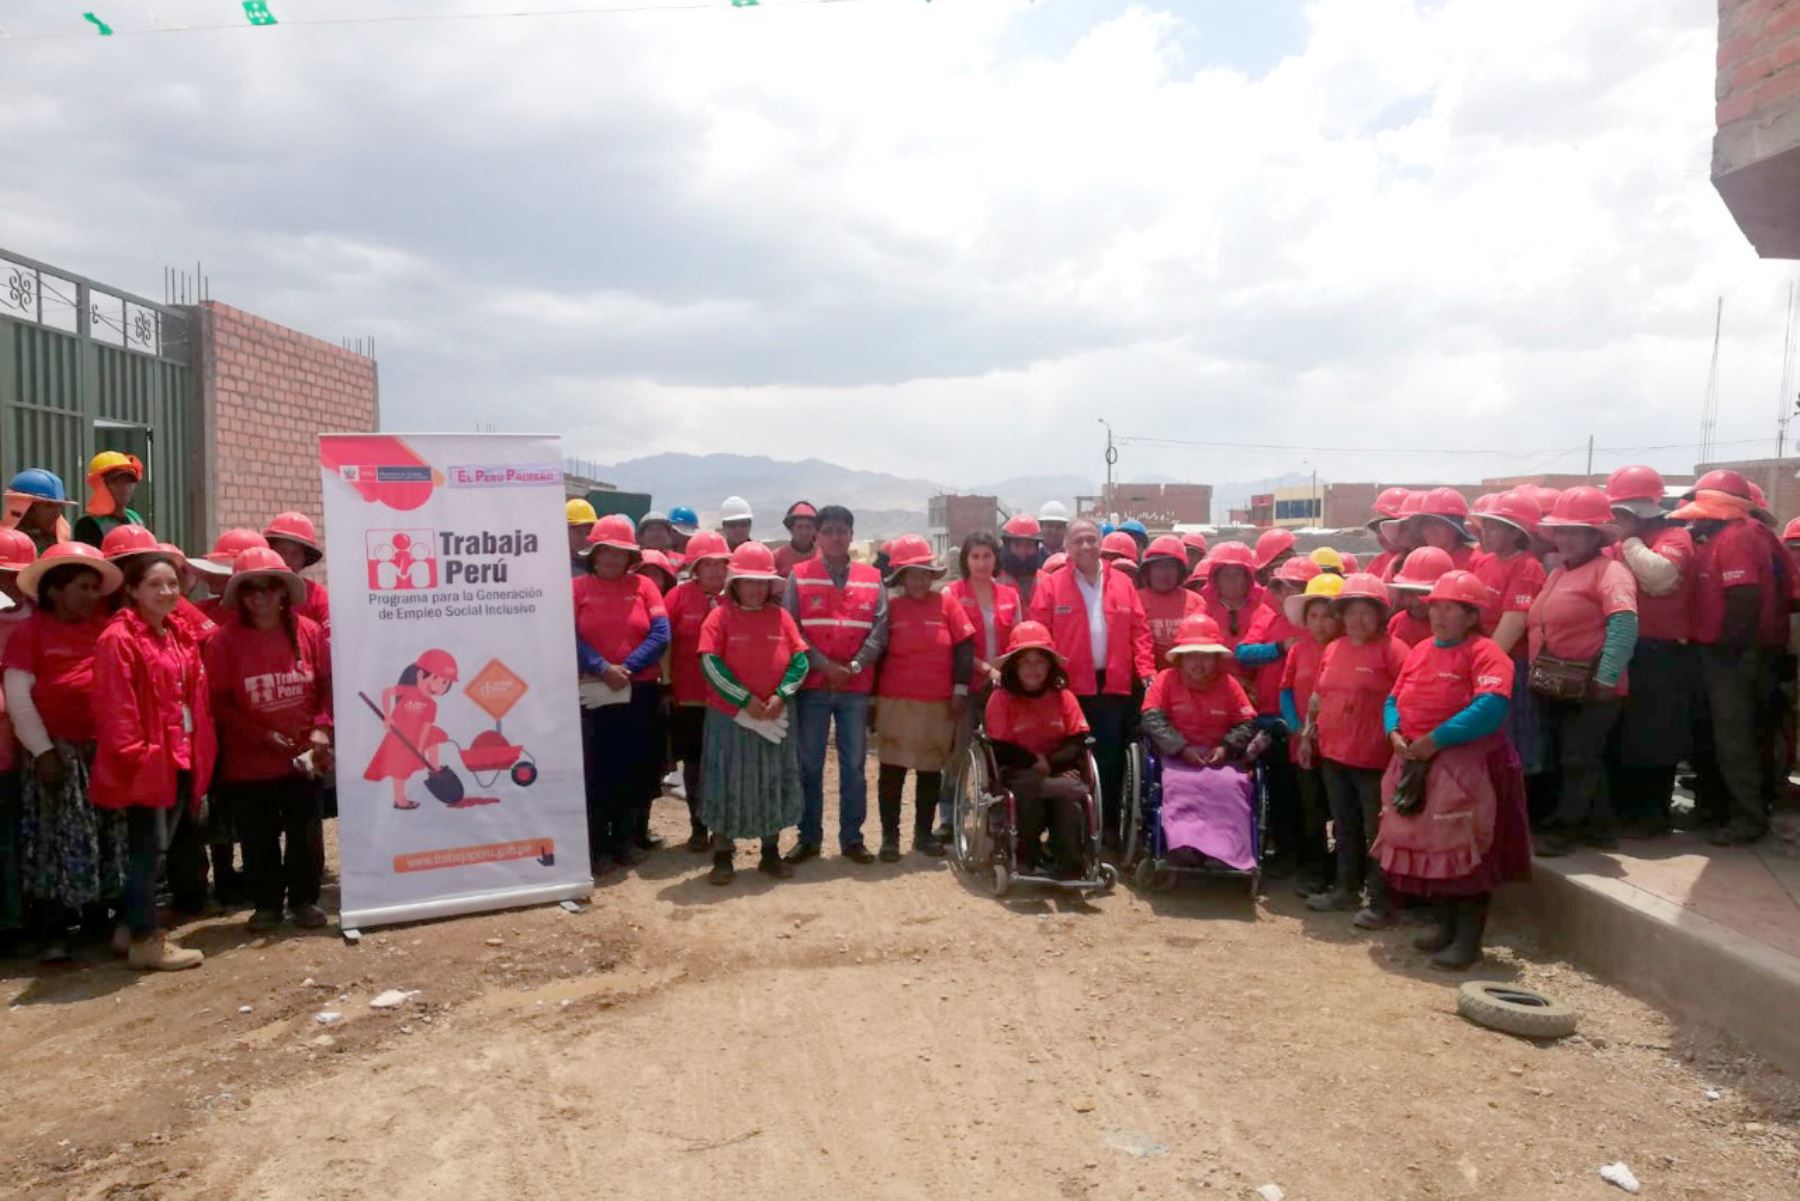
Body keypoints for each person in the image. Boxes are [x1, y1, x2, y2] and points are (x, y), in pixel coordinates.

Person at [1377, 570, 1529, 970]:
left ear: (1472, 615)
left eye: (1451, 609)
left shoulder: (1486, 653)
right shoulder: (1422, 650)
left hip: (1469, 770)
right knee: (1434, 849)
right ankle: (1444, 926)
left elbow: (1491, 707)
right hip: (1422, 762)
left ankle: (1468, 939)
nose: (1440, 616)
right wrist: (1393, 731)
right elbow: (1394, 697)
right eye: (1436, 608)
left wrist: (1436, 740)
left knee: (1469, 853)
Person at [91, 548, 216, 971]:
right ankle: (146, 939)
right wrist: (138, 758)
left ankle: (131, 926)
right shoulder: (118, 638)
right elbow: (116, 708)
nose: (166, 592)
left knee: (158, 848)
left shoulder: (177, 632)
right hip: (148, 760)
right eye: (154, 585)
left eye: (172, 584)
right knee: (146, 848)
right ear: (131, 590)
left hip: (180, 752)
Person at [4, 543, 125, 961]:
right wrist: (43, 753)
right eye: (82, 587)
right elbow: (19, 699)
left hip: (101, 752)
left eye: (95, 587)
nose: (92, 595)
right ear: (55, 590)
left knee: (102, 836)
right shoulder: (29, 634)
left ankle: (97, 917)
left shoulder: (104, 628)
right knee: (54, 841)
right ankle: (53, 929)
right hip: (57, 754)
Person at [205, 547, 332, 932]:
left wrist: (321, 729)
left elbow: (327, 686)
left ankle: (305, 901)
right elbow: (219, 703)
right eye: (250, 590)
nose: (259, 597)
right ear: (239, 597)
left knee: (305, 832)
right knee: (258, 836)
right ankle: (267, 906)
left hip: (303, 756)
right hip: (249, 763)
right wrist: (260, 735)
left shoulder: (307, 632)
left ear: (282, 592)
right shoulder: (224, 642)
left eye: (267, 588)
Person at [1672, 473, 1786, 845]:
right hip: (1721, 653)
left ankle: (1747, 819)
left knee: (1735, 739)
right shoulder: (1722, 538)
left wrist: (1727, 651)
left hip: (1732, 656)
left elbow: (1745, 598)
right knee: (1719, 737)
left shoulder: (1737, 538)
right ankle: (1720, 811)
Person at [1525, 488, 1639, 856]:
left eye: (1575, 531)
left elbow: (1624, 624)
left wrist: (1605, 679)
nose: (1565, 538)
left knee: (1577, 757)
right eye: (1561, 531)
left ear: (1595, 536)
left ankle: (1565, 829)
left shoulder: (1611, 572)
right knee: (1580, 757)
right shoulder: (1560, 572)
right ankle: (1600, 827)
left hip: (1592, 688)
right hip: (1560, 684)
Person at [1028, 518, 1153, 847]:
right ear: (1067, 547)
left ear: (1101, 543)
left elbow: (1140, 633)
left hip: (1113, 688)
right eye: (1078, 541)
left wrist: (1146, 671)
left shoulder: (1123, 584)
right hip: (1066, 690)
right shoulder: (1052, 585)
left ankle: (1107, 827)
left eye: (1091, 540)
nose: (1085, 546)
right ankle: (1067, 833)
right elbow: (1039, 636)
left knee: (1110, 762)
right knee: (1068, 760)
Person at [695, 542, 809, 885]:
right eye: (748, 581)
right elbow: (709, 663)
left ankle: (770, 853)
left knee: (772, 781)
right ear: (735, 584)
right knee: (725, 781)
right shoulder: (719, 617)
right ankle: (723, 856)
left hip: (774, 716)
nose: (756, 589)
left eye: (762, 582)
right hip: (730, 720)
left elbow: (799, 660)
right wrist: (743, 701)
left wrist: (781, 695)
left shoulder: (781, 616)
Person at [784, 504, 886, 865]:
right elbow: (791, 627)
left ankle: (852, 838)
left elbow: (879, 628)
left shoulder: (872, 578)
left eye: (842, 529)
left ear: (852, 534)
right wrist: (824, 665)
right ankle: (809, 837)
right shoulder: (800, 575)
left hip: (855, 688)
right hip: (813, 685)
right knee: (809, 764)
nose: (836, 536)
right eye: (828, 530)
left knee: (854, 764)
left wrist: (856, 665)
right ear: (817, 535)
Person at [1305, 574, 1409, 924]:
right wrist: (1308, 734)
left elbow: (1406, 701)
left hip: (1375, 759)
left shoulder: (1394, 652)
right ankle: (1345, 891)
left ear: (1380, 614)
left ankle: (1381, 902)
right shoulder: (1334, 649)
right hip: (1334, 755)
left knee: (1377, 832)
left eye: (1366, 612)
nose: (1357, 620)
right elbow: (1319, 696)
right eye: (1351, 612)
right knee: (1345, 827)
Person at [573, 515, 670, 871]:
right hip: (592, 693)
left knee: (634, 768)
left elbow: (660, 634)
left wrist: (626, 668)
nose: (613, 559)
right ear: (594, 554)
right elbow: (569, 635)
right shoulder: (577, 589)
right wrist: (602, 668)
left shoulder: (645, 586)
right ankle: (597, 847)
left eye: (620, 553)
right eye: (606, 552)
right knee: (597, 770)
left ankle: (625, 842)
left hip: (638, 690)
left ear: (631, 556)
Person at [873, 536, 975, 860]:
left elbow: (964, 647)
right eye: (911, 573)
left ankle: (922, 834)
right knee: (892, 771)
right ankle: (890, 838)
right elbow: (877, 653)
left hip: (937, 702)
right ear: (900, 577)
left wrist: (960, 689)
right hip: (895, 701)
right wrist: (871, 702)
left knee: (930, 771)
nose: (918, 579)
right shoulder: (890, 608)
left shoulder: (947, 604)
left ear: (932, 575)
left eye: (923, 572)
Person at [1140, 614, 1266, 872]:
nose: (1199, 662)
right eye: (1192, 655)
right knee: (1180, 784)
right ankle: (1184, 847)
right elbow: (1151, 719)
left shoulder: (1229, 684)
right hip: (1176, 756)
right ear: (1182, 658)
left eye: (1206, 655)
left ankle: (1226, 852)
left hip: (1220, 756)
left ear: (1216, 659)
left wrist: (1225, 748)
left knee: (1232, 785)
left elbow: (1248, 722)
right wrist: (1181, 748)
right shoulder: (1165, 680)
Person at [1238, 556, 1324, 884]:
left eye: (1296, 587)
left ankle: (1310, 859)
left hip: (1312, 719)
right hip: (1272, 716)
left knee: (1312, 794)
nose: (1287, 592)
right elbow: (1243, 653)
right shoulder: (1266, 616)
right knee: (1281, 789)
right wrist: (1279, 647)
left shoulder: (1323, 620)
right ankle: (1286, 853)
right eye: (1283, 585)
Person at [984, 622, 1092, 879]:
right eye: (1026, 662)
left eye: (1039, 662)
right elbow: (1000, 747)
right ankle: (1025, 857)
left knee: (1067, 797)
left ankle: (1070, 865)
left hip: (1057, 768)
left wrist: (1050, 763)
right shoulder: (1001, 699)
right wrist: (1035, 762)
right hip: (1016, 770)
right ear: (1014, 666)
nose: (1033, 669)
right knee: (1047, 788)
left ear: (1050, 666)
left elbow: (1077, 741)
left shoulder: (1064, 697)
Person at [941, 530, 1021, 838]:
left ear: (996, 559)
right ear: (966, 559)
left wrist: (1000, 668)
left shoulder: (1010, 595)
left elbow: (1017, 639)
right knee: (959, 751)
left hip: (1001, 687)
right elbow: (951, 644)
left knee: (999, 754)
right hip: (966, 685)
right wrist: (985, 668)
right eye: (975, 556)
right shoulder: (951, 594)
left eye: (987, 555)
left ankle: (997, 816)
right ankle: (948, 817)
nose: (981, 562)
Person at [664, 531, 732, 851]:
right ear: (695, 567)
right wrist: (665, 683)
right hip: (689, 696)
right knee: (694, 765)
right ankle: (697, 826)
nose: (716, 572)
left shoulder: (736, 596)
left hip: (728, 699)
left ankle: (723, 826)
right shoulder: (677, 598)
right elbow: (664, 643)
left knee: (724, 765)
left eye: (721, 564)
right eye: (709, 565)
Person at [1282, 573, 1344, 898]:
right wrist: (1297, 728)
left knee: (1342, 812)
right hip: (1303, 744)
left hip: (1339, 744)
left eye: (1328, 615)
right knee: (1312, 810)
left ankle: (1343, 872)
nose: (1320, 623)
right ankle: (1315, 871)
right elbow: (1285, 692)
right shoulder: (1297, 651)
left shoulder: (1347, 649)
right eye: (1314, 616)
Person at [364, 649, 459, 809]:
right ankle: (400, 800)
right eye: (436, 678)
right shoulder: (408, 690)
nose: (438, 686)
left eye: (445, 682)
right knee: (399, 770)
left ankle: (435, 769)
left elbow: (426, 728)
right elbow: (387, 693)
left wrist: (420, 747)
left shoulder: (432, 705)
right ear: (420, 675)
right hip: (398, 735)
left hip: (416, 736)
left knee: (434, 738)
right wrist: (388, 717)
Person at [0, 531, 34, 949]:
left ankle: (19, 917)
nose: (8, 584)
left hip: (32, 741)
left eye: (14, 576)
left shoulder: (40, 618)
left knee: (20, 834)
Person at [263, 512, 331, 639]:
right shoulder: (252, 590)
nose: (287, 559)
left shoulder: (317, 595)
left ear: (304, 560)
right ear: (271, 551)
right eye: (282, 551)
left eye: (295, 554)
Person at [1139, 536, 1202, 666]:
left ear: (1180, 572)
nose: (1164, 574)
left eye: (1170, 567)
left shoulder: (1196, 601)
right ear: (1148, 570)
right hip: (1142, 679)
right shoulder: (1135, 600)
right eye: (1158, 566)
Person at [1197, 541, 1261, 656]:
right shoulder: (1201, 615)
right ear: (1215, 579)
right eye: (1226, 574)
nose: (1232, 579)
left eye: (1238, 574)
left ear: (1248, 578)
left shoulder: (1263, 613)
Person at [71, 452, 146, 548]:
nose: (125, 487)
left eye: (129, 480)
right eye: (116, 481)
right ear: (100, 484)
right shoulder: (87, 525)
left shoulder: (135, 518)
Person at [1385, 546, 1454, 647]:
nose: (1416, 602)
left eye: (1424, 594)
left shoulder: (1452, 626)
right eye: (1410, 594)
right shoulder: (1397, 622)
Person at [2, 469, 75, 553]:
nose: (57, 513)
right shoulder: (4, 545)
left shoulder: (60, 544)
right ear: (28, 510)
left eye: (59, 506)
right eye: (49, 505)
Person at [1364, 487, 1412, 580]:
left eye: (1389, 527)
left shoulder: (1423, 560)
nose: (1383, 534)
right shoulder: (1377, 563)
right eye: (1378, 530)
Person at [998, 514, 1045, 609]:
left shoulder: (1048, 583)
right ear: (1007, 547)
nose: (1022, 551)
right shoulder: (993, 584)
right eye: (1017, 545)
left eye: (1028, 545)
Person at [775, 501, 820, 577]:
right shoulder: (777, 557)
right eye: (799, 527)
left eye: (808, 527)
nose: (804, 532)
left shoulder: (823, 557)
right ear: (791, 529)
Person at [567, 499, 598, 578]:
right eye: (578, 532)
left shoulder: (602, 567)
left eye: (588, 533)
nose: (584, 538)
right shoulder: (553, 566)